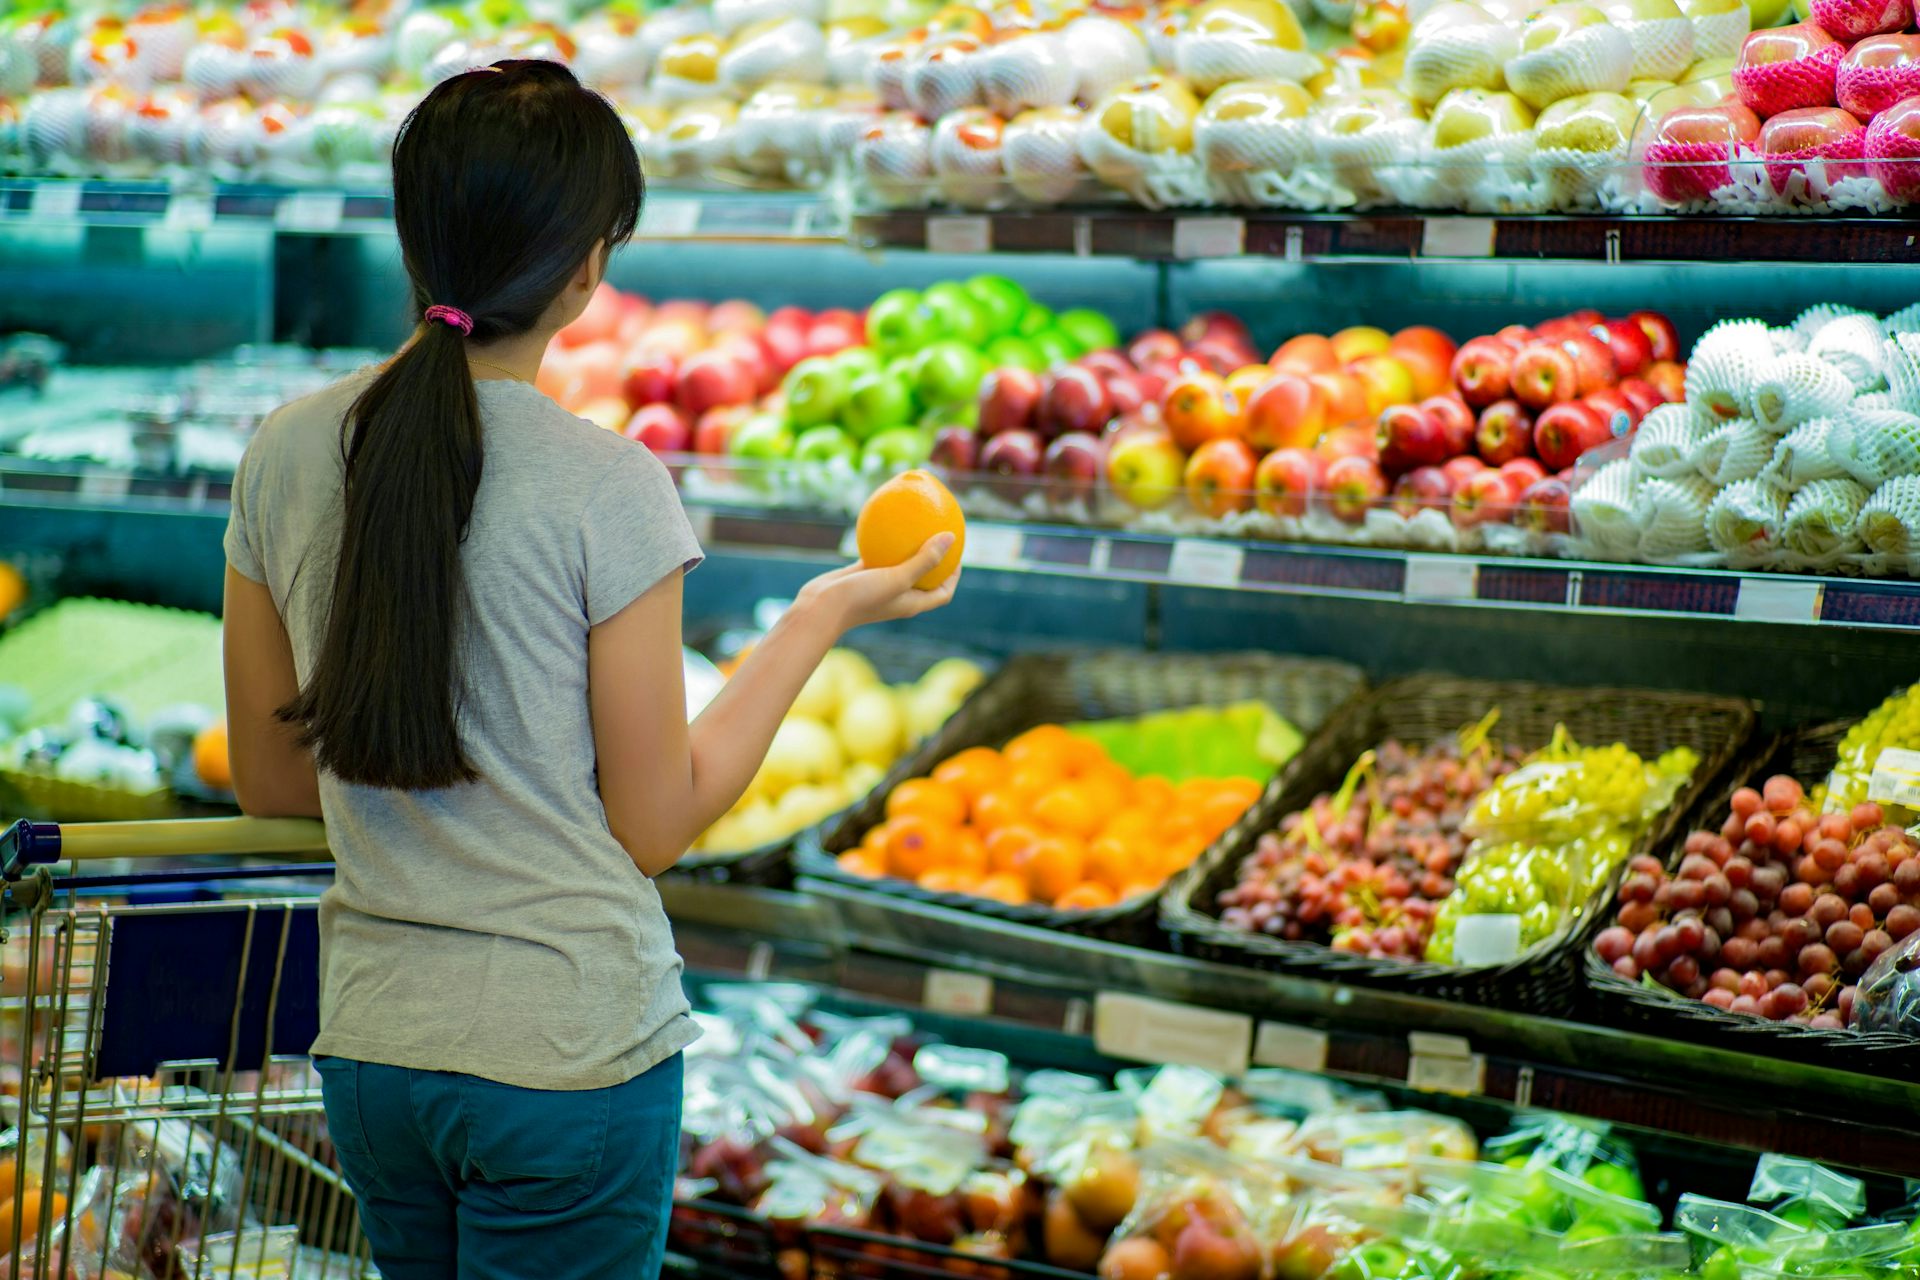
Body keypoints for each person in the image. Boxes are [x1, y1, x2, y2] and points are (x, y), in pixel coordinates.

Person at [220, 60, 956, 1279]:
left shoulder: (284, 452)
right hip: (568, 1057)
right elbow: (653, 824)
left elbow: (269, 778)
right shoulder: (606, 483)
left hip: (371, 1052)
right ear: (585, 272)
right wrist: (819, 613)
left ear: (416, 242)